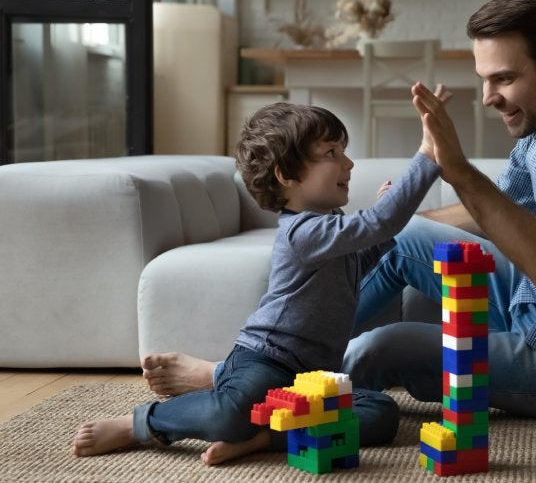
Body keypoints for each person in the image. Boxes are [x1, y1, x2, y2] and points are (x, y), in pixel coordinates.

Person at [140, 0, 536, 421]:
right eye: (483, 78)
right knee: (396, 239)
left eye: (504, 78)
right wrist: (397, 223)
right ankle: (260, 367)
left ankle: (241, 389)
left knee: (382, 349)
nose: (489, 97)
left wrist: (452, 165)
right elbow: (488, 210)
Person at [72, 101, 441, 465]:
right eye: (332, 152)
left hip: (311, 375)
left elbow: (358, 260)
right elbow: (379, 223)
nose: (348, 163)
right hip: (266, 360)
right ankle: (139, 423)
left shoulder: (331, 226)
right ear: (286, 175)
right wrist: (427, 155)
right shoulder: (303, 231)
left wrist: (380, 222)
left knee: (381, 412)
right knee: (229, 415)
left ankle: (266, 437)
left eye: (344, 151)